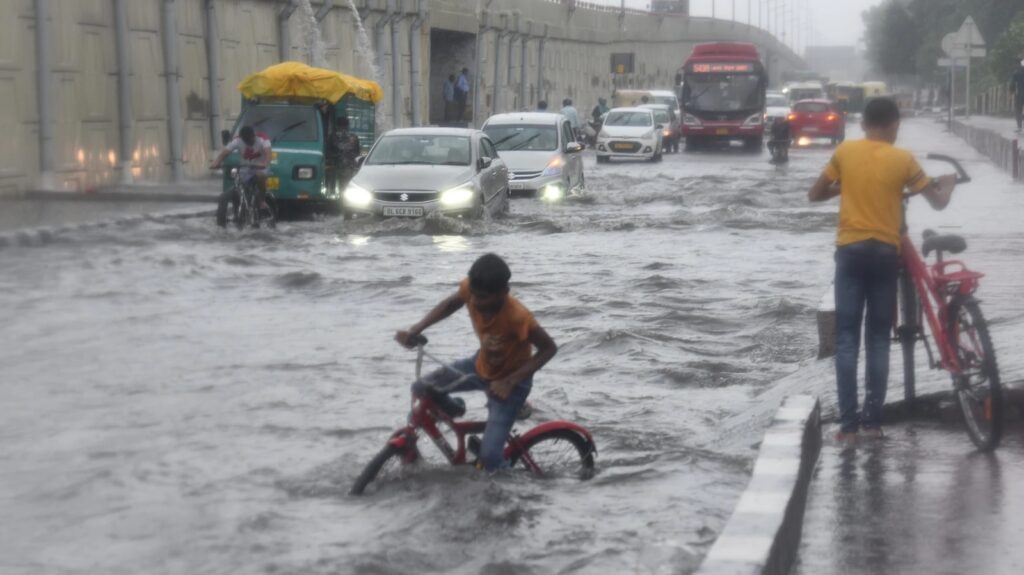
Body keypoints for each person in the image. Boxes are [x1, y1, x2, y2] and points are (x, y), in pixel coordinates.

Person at [807, 98, 956, 440]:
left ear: (864, 124)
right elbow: (937, 200)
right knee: (877, 339)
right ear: (892, 125)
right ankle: (873, 423)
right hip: (885, 254)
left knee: (846, 341)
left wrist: (844, 187)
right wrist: (945, 184)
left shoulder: (845, 152)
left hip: (850, 251)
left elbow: (815, 194)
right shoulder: (902, 158)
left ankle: (848, 427)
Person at [395, 253, 558, 471]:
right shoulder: (470, 290)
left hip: (510, 385)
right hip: (480, 367)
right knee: (421, 388)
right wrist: (416, 329)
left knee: (489, 459)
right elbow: (451, 303)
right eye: (474, 296)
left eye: (484, 297)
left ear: (503, 293)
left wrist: (509, 383)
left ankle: (516, 491)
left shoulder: (517, 317)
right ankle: (454, 410)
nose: (476, 302)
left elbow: (549, 349)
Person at [210, 125, 271, 227]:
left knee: (260, 177)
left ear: (253, 136)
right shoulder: (238, 140)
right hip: (245, 169)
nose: (248, 143)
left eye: (250, 140)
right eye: (245, 140)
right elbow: (225, 152)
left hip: (261, 167)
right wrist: (216, 162)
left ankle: (262, 201)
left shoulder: (262, 139)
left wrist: (264, 163)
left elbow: (268, 154)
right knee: (229, 192)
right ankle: (223, 223)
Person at [328, 116, 361, 195]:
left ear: (337, 125)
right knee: (348, 185)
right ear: (348, 125)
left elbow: (329, 152)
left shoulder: (332, 137)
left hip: (336, 167)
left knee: (338, 187)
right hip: (350, 167)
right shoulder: (354, 137)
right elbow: (357, 152)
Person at [1010, 58, 1024, 132]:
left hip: (1020, 94)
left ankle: (1019, 126)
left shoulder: (1016, 73)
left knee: (1018, 110)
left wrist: (1011, 92)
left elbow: (1012, 84)